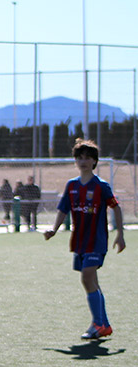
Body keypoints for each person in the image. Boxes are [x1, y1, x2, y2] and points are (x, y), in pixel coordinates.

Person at [44, 138, 125, 340]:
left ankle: (97, 324)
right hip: (79, 241)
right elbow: (63, 209)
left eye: (88, 157)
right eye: (80, 157)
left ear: (95, 161)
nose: (83, 161)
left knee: (87, 277)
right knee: (93, 282)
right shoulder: (71, 185)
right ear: (75, 161)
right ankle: (104, 325)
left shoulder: (101, 186)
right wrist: (53, 230)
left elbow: (116, 207)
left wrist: (120, 235)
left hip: (96, 241)